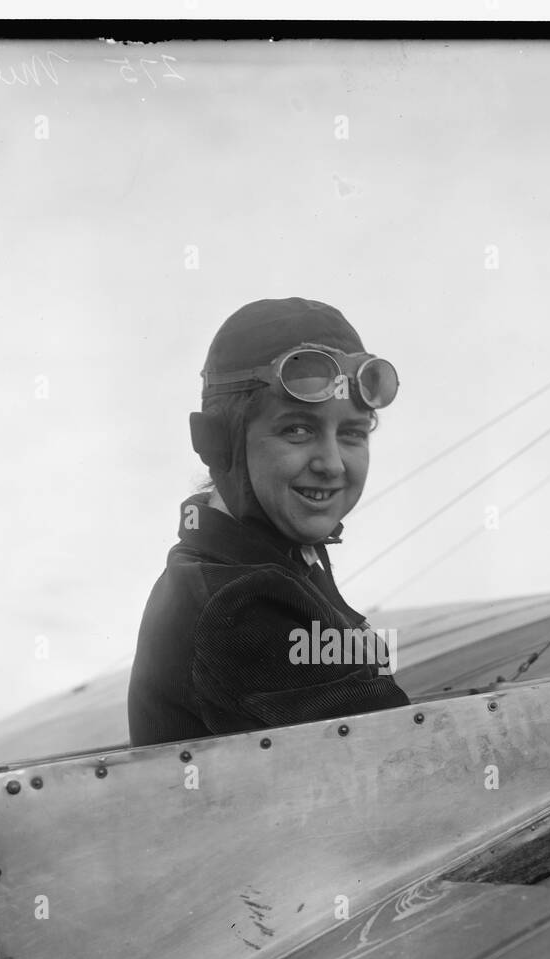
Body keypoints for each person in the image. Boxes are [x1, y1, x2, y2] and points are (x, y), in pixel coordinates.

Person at [127, 298, 410, 746]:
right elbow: (400, 761)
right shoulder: (245, 604)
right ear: (220, 443)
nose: (332, 464)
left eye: (352, 433)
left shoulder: (237, 565)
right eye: (297, 429)